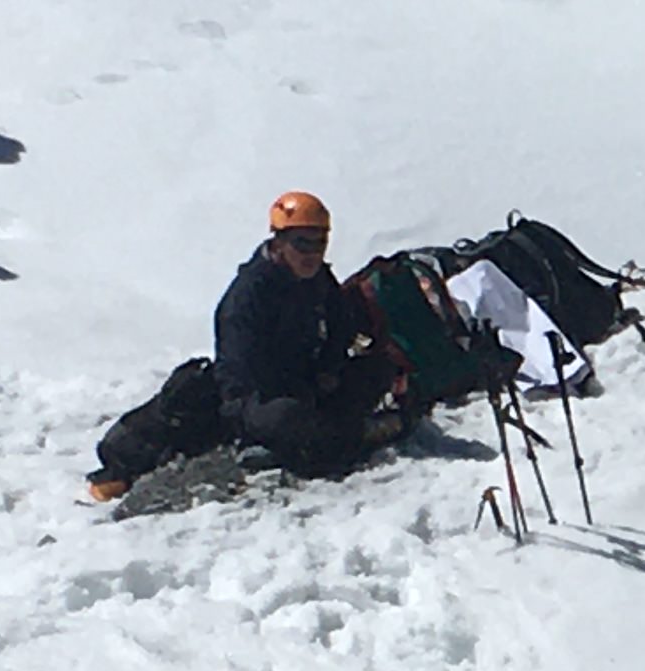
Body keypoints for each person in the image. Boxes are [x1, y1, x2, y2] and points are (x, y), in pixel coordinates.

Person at [87, 192, 406, 498]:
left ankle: (337, 429)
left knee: (378, 368)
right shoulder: (248, 295)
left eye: (319, 242)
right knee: (286, 418)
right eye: (302, 243)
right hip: (256, 398)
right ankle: (354, 434)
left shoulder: (319, 279)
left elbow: (340, 328)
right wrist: (275, 401)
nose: (312, 252)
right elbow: (237, 374)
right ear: (279, 242)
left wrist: (329, 370)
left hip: (306, 383)